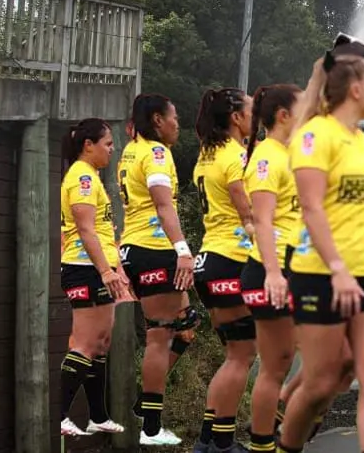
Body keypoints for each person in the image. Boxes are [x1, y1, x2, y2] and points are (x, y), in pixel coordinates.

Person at [277, 54, 364, 453]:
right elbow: (311, 208)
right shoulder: (314, 136)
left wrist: (361, 264)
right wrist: (339, 269)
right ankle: (286, 447)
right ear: (356, 90)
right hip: (319, 273)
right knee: (320, 384)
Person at [118, 93, 194, 446]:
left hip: (137, 248)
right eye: (173, 116)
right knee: (160, 335)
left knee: (186, 330)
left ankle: (143, 405)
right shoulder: (157, 153)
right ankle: (150, 427)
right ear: (157, 120)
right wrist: (183, 250)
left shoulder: (131, 150)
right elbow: (164, 207)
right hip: (154, 249)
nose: (178, 123)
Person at [239, 83, 310, 452]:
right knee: (276, 363)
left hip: (295, 268)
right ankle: (264, 443)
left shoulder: (288, 154)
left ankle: (280, 414)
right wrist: (272, 273)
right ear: (284, 115)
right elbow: (263, 221)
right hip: (273, 269)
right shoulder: (267, 158)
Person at [191, 87, 257, 453]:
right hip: (232, 260)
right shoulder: (238, 156)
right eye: (251, 110)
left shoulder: (207, 154)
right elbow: (249, 213)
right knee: (241, 356)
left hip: (210, 261)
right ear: (235, 117)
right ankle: (221, 443)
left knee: (235, 356)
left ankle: (209, 440)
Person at [58, 118, 130, 437]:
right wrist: (104, 270)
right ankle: (59, 415)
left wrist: (115, 267)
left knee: (101, 344)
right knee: (86, 344)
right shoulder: (82, 177)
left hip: (98, 267)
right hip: (84, 267)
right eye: (108, 144)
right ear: (88, 145)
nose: (112, 150)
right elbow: (85, 229)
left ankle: (97, 415)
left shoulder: (93, 177)